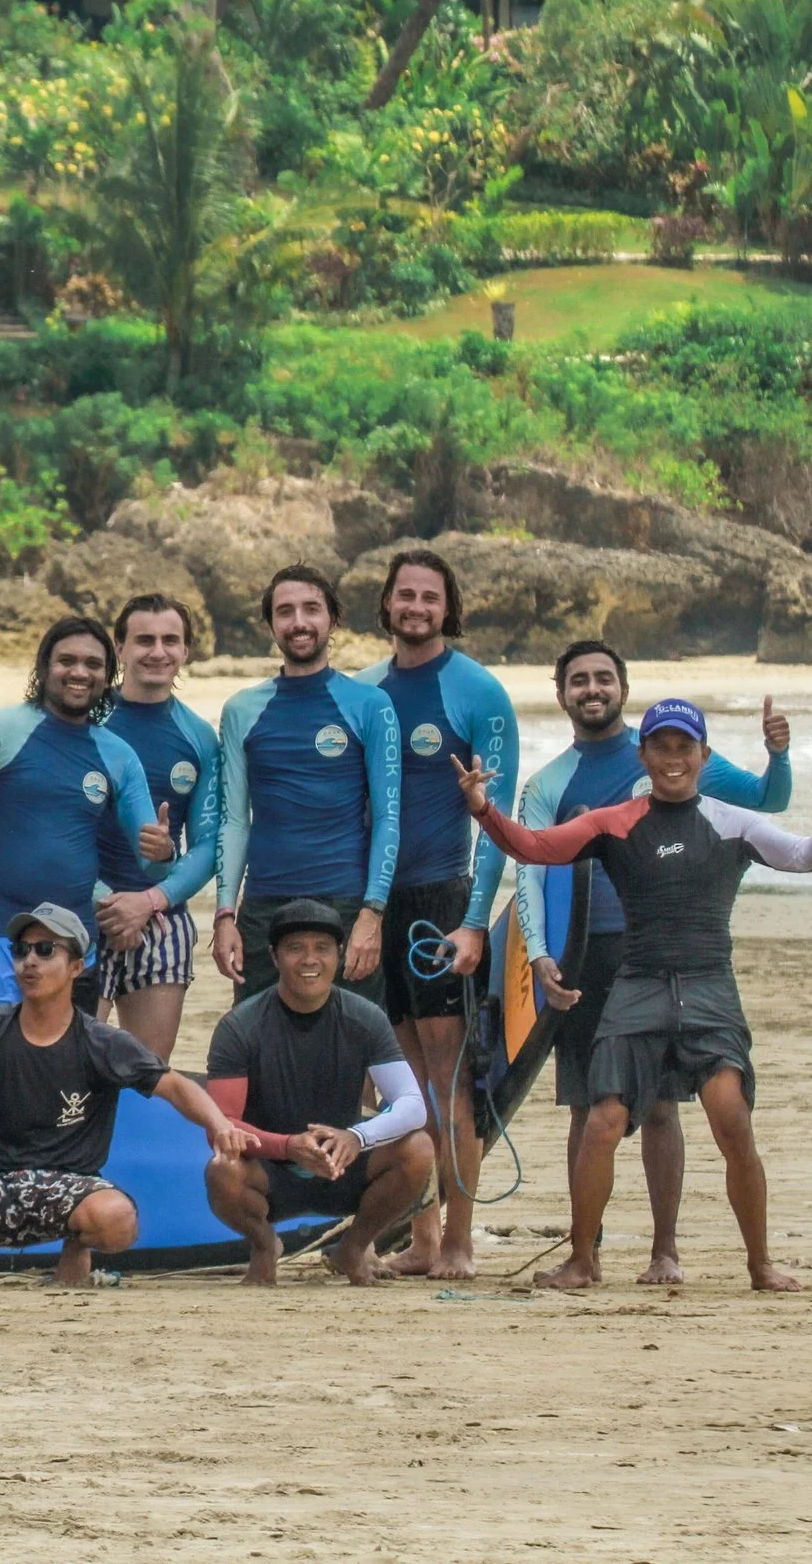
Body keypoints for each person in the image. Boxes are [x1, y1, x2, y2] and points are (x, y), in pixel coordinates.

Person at [454, 700, 812, 1292]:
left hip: (708, 986)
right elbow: (535, 848)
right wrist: (482, 809)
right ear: (643, 756)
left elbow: (801, 856)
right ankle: (584, 1260)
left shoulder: (731, 821)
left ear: (704, 756)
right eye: (661, 748)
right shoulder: (616, 821)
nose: (673, 759)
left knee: (730, 1118)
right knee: (602, 1123)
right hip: (637, 987)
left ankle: (759, 1263)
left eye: (684, 748)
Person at [519, 640, 794, 1285]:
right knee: (593, 1107)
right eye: (579, 680)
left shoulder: (674, 752)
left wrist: (779, 754)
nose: (593, 689)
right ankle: (584, 1253)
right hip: (588, 952)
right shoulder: (549, 782)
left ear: (624, 688)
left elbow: (767, 802)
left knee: (666, 1106)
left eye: (605, 678)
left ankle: (663, 1249)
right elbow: (530, 864)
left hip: (669, 953)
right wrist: (538, 953)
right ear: (561, 693)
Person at [0, 904, 249, 1284]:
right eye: (21, 950)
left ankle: (76, 1250)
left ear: (76, 967)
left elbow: (175, 1087)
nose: (30, 961)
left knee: (118, 1221)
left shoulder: (102, 1042)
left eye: (46, 950)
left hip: (70, 1190)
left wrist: (219, 1125)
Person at [350, 548, 518, 1280]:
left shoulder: (477, 691)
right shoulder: (361, 691)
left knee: (450, 1082)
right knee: (398, 1085)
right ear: (386, 605)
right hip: (374, 905)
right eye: (404, 596)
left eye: (430, 597)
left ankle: (459, 1238)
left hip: (442, 903)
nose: (415, 607)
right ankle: (420, 1238)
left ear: (448, 608)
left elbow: (498, 818)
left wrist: (476, 921)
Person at [0, 617, 173, 1016]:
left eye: (92, 664)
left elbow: (152, 867)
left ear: (107, 677)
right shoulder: (0, 728)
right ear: (43, 667)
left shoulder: (118, 754)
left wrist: (163, 852)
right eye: (66, 660)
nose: (79, 672)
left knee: (67, 1076)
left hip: (74, 949)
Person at [203, 901, 434, 1287]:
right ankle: (264, 1247)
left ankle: (354, 1247)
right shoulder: (239, 1026)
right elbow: (220, 1126)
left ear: (339, 956)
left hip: (342, 1159)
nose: (310, 960)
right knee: (221, 1169)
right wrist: (288, 1146)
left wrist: (358, 1136)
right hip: (270, 1167)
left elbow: (412, 1105)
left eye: (322, 948)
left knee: (419, 1148)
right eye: (295, 948)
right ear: (275, 957)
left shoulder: (365, 1017)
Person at [213, 565, 402, 1003]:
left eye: (311, 609)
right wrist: (226, 915)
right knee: (258, 1050)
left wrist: (372, 914)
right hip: (263, 908)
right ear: (272, 625)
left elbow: (389, 815)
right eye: (285, 612)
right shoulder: (242, 709)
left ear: (333, 620)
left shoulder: (370, 705)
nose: (298, 622)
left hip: (344, 904)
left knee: (352, 1050)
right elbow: (234, 820)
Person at [92, 593, 221, 1061]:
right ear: (119, 647)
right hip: (81, 912)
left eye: (171, 640)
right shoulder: (85, 721)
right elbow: (51, 828)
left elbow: (209, 847)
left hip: (161, 920)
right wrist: (108, 904)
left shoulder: (200, 737)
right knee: (67, 1070)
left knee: (144, 1076)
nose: (158, 651)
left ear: (187, 651)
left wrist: (148, 902)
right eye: (144, 640)